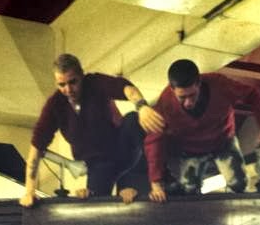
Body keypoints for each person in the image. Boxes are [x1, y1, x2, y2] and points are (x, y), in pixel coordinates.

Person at [20, 53, 164, 207]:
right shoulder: (55, 105)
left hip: (120, 148)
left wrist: (142, 106)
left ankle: (158, 178)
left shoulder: (94, 83)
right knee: (94, 209)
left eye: (73, 82)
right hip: (98, 166)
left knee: (133, 119)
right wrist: (29, 191)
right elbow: (35, 150)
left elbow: (126, 88)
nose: (68, 89)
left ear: (81, 76)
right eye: (62, 85)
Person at [144, 58, 260, 203]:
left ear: (199, 83)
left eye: (192, 95)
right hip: (190, 149)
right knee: (188, 191)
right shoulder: (165, 103)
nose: (188, 103)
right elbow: (154, 140)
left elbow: (252, 94)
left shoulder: (220, 84)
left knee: (239, 185)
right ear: (172, 90)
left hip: (223, 141)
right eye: (182, 97)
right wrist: (156, 182)